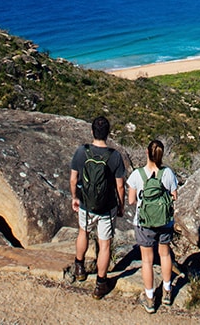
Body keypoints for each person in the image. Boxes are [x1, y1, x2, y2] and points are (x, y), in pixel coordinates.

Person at [70, 115, 126, 299]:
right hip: (106, 207)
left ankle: (79, 267)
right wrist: (121, 206)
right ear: (108, 134)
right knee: (105, 244)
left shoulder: (81, 152)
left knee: (83, 233)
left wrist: (74, 197)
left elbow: (73, 179)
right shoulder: (114, 156)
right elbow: (119, 185)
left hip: (86, 203)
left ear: (92, 131)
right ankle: (101, 284)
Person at [127, 139, 179, 313]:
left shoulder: (137, 175)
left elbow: (132, 200)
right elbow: (174, 196)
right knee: (165, 255)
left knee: (147, 261)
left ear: (146, 153)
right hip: (164, 221)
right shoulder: (168, 173)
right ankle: (167, 292)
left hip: (144, 223)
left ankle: (150, 299)